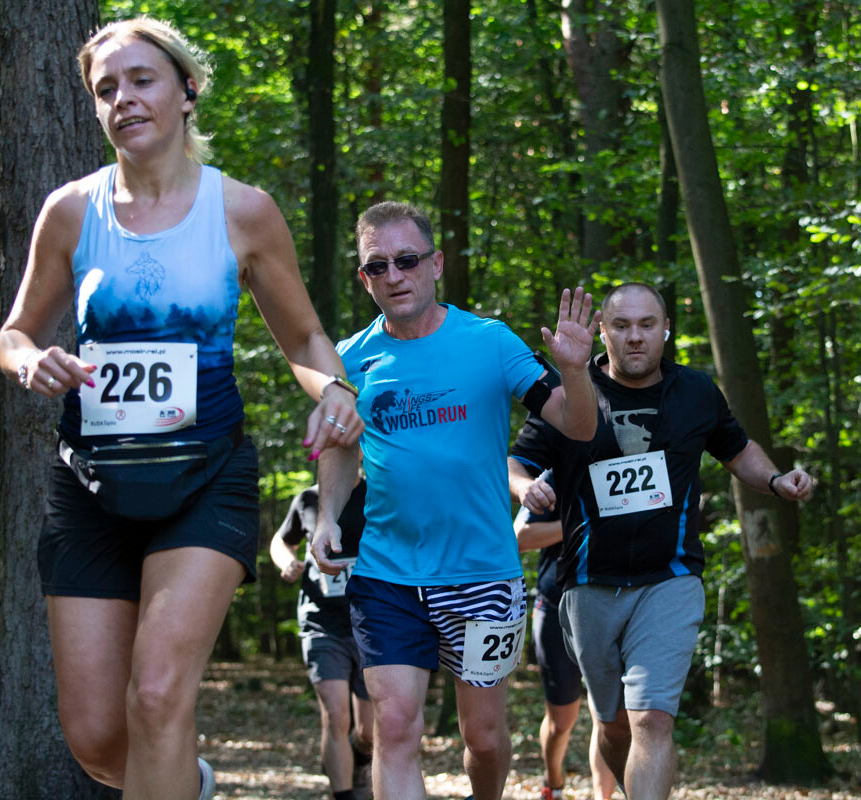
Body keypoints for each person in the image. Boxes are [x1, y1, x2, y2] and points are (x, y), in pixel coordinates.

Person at [0, 17, 362, 800]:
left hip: (205, 481)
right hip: (89, 488)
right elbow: (17, 331)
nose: (123, 99)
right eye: (106, 89)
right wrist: (29, 360)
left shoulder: (242, 210)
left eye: (142, 80)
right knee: (98, 738)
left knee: (159, 696)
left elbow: (304, 336)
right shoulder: (71, 211)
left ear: (187, 91)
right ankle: (187, 784)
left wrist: (335, 388)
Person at [308, 200, 601, 800]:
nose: (394, 276)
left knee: (484, 739)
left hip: (482, 573)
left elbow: (577, 425)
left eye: (407, 260)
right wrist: (328, 518)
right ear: (363, 278)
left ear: (436, 263)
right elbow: (339, 447)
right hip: (387, 574)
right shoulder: (350, 358)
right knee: (394, 727)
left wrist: (574, 371)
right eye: (378, 266)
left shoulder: (490, 342)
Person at [508, 282, 816, 800]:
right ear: (602, 331)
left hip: (669, 579)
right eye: (622, 326)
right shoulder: (572, 393)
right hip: (587, 584)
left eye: (647, 325)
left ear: (666, 329)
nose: (635, 337)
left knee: (651, 719)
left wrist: (775, 479)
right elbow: (517, 462)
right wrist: (525, 487)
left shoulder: (695, 391)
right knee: (613, 728)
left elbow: (737, 449)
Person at [514, 470, 616, 800]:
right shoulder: (555, 474)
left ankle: (603, 795)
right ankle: (553, 782)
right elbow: (520, 536)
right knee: (561, 721)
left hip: (612, 606)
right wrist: (584, 521)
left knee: (608, 717)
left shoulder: (629, 463)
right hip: (557, 607)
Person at [270, 480, 374, 800]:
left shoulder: (378, 493)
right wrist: (287, 562)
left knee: (369, 732)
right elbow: (281, 540)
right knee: (335, 714)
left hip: (371, 624)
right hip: (321, 623)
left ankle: (359, 758)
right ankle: (342, 794)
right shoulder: (308, 499)